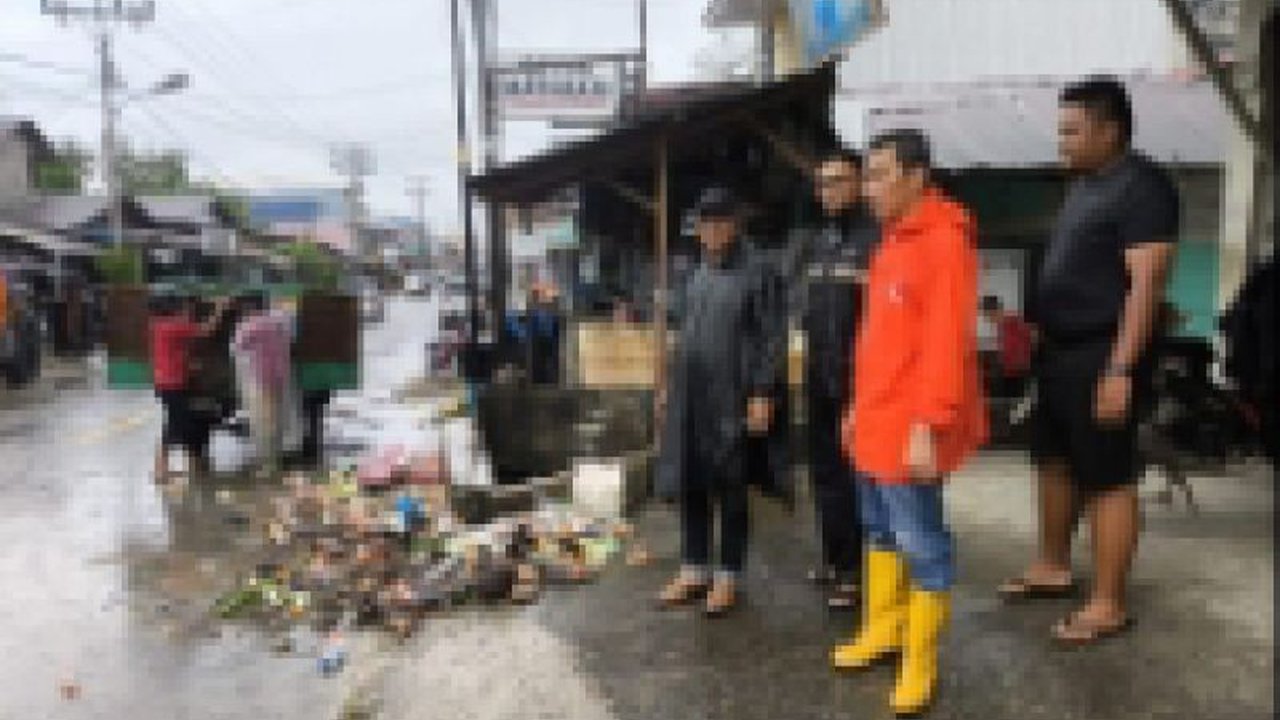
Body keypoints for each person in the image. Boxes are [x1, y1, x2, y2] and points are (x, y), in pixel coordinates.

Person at [999, 76, 1180, 646]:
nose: (1063, 141)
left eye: (1072, 130)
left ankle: (1108, 604)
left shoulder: (1143, 186)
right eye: (1061, 130)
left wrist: (1121, 370)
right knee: (1053, 462)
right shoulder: (1083, 186)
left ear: (1111, 129)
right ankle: (1054, 566)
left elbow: (1145, 285)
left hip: (1104, 352)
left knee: (1107, 478)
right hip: (1058, 352)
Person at [831, 129, 986, 717]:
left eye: (878, 176)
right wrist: (855, 406)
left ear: (917, 176)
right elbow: (877, 342)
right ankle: (883, 631)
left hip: (912, 424)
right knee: (878, 532)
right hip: (876, 417)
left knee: (923, 544)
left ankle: (920, 659)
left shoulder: (945, 241)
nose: (867, 188)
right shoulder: (890, 241)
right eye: (865, 176)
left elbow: (948, 343)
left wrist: (930, 422)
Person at [654, 185, 785, 617]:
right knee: (692, 478)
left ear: (735, 223)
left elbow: (770, 337)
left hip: (732, 393)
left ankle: (728, 575)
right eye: (704, 223)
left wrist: (762, 393)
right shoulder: (694, 272)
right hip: (691, 394)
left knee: (730, 484)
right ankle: (694, 568)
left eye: (719, 221)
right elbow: (682, 334)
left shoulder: (758, 270)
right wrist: (668, 387)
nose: (711, 230)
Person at [783, 147, 879, 609]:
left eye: (838, 180)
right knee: (824, 474)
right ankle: (834, 558)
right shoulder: (820, 242)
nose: (828, 191)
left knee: (857, 479)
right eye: (822, 183)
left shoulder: (875, 240)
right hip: (821, 379)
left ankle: (856, 573)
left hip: (861, 383)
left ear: (859, 182)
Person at [149, 292, 230, 482]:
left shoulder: (159, 326)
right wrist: (219, 308)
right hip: (173, 383)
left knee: (180, 423)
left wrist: (187, 363)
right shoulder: (174, 327)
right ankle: (161, 469)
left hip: (167, 381)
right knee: (175, 426)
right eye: (183, 307)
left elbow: (174, 352)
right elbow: (207, 330)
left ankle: (188, 465)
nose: (186, 311)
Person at [980, 295, 1034, 399]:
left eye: (987, 314)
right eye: (986, 315)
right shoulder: (1005, 325)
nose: (987, 318)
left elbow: (1018, 351)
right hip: (1013, 372)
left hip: (1017, 373)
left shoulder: (1011, 324)